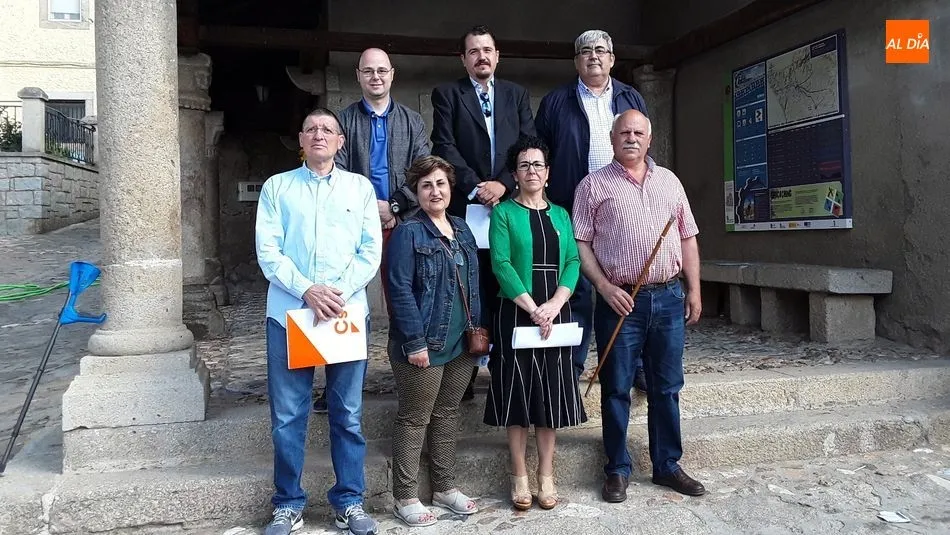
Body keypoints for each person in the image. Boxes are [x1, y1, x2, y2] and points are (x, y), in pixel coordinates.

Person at [255, 107, 382, 535]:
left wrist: (337, 293)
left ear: (340, 141)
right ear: (300, 139)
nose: (319, 135)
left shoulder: (360, 188)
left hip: (344, 314)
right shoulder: (277, 187)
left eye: (328, 129)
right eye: (311, 129)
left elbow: (370, 250)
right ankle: (288, 504)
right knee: (288, 415)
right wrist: (307, 289)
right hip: (291, 312)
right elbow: (268, 251)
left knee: (347, 413)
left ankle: (349, 500)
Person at [572, 109, 705, 504]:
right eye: (624, 132)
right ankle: (617, 469)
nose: (631, 138)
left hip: (668, 296)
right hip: (620, 301)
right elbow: (581, 243)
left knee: (666, 386)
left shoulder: (669, 181)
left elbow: (688, 237)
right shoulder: (593, 186)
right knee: (616, 388)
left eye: (638, 132)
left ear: (649, 139)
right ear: (612, 140)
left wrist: (694, 290)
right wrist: (604, 286)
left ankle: (667, 465)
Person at [309, 47, 431, 415]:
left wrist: (393, 206)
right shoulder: (342, 122)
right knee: (344, 303)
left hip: (403, 224)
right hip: (353, 229)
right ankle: (340, 389)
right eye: (368, 71)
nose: (375, 77)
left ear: (392, 74)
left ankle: (414, 386)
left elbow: (423, 170)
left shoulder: (413, 122)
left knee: (405, 304)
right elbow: (336, 171)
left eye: (381, 70)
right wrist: (368, 211)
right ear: (358, 76)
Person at [535, 29, 649, 387]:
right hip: (574, 204)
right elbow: (541, 155)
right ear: (576, 61)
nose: (594, 56)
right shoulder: (557, 102)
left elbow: (644, 144)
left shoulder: (630, 97)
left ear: (612, 59)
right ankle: (573, 364)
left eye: (601, 50)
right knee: (579, 287)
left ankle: (631, 365)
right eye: (586, 51)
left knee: (626, 284)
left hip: (622, 204)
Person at [431, 24, 537, 400]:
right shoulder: (448, 94)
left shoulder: (516, 95)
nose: (482, 57)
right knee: (467, 288)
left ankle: (505, 368)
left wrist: (505, 184)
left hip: (510, 205)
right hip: (466, 206)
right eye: (474, 51)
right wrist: (477, 185)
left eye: (488, 50)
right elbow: (444, 145)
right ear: (464, 58)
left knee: (506, 284)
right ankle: (463, 376)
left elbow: (528, 145)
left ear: (497, 55)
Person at [483, 136, 586, 511]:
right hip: (517, 312)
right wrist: (532, 308)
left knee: (551, 397)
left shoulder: (560, 213)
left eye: (538, 165)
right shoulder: (504, 213)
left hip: (556, 313)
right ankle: (519, 477)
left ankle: (546, 475)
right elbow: (501, 264)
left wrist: (556, 303)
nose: (532, 171)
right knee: (517, 397)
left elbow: (573, 261)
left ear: (548, 172)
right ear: (514, 174)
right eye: (524, 165)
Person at [384, 155, 482, 526]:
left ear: (450, 187)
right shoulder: (408, 233)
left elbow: (474, 282)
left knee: (447, 412)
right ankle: (405, 496)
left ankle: (444, 487)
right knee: (414, 417)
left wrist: (479, 328)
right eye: (426, 185)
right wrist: (415, 342)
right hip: (424, 341)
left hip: (461, 341)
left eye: (440, 183)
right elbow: (399, 290)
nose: (435, 191)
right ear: (417, 192)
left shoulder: (462, 228)